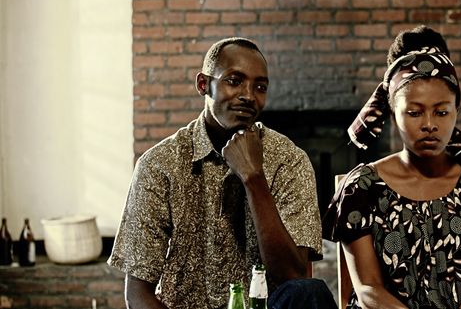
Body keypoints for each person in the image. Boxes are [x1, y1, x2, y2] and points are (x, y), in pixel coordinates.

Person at [108, 37, 337, 309]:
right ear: (204, 84)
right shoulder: (159, 165)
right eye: (234, 81)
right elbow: (137, 293)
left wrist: (254, 178)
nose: (249, 95)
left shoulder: (289, 160)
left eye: (260, 87)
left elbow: (295, 277)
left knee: (311, 291)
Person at [323, 26, 461, 309]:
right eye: (414, 112)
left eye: (442, 111)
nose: (429, 124)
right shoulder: (362, 188)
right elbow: (368, 288)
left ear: (456, 110)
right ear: (393, 112)